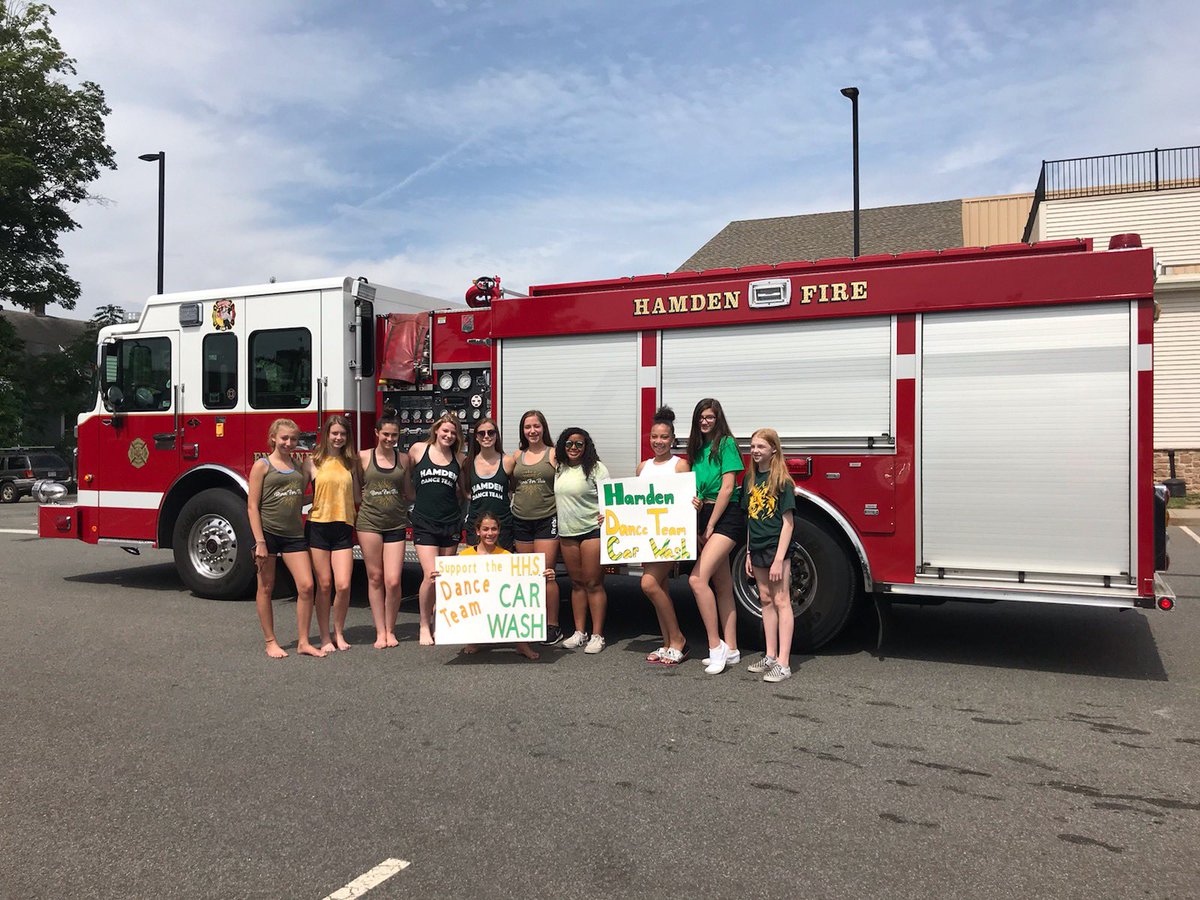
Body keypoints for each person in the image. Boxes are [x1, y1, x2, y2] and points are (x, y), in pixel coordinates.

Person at [247, 418, 318, 658]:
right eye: (284, 438)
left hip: (294, 535)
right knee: (266, 587)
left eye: (293, 439)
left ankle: (303, 642)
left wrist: (318, 498)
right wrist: (260, 542)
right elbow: (252, 506)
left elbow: (296, 498)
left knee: (307, 586)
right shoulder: (262, 466)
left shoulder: (298, 466)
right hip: (268, 534)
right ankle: (270, 641)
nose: (289, 443)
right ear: (273, 438)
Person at [686, 398, 745, 675]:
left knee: (697, 580)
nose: (705, 421)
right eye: (701, 417)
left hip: (725, 516)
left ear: (718, 418)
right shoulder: (697, 449)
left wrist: (710, 526)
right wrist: (697, 505)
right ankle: (731, 648)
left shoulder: (726, 444)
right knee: (722, 584)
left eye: (709, 417)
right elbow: (697, 486)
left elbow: (728, 487)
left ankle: (715, 646)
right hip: (704, 513)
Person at [741, 428, 797, 683]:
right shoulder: (750, 480)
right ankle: (770, 656)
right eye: (753, 446)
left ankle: (784, 663)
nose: (755, 451)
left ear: (773, 449)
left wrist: (779, 559)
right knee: (765, 599)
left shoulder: (782, 481)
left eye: (761, 446)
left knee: (781, 600)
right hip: (757, 548)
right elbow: (750, 519)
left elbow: (788, 524)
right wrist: (748, 552)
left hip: (776, 548)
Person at [637, 406, 690, 666]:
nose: (659, 441)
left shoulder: (680, 465)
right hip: (646, 536)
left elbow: (686, 499)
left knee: (648, 584)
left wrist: (694, 504)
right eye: (655, 436)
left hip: (669, 537)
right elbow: (633, 503)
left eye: (664, 437)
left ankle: (678, 638)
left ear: (672, 439)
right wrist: (611, 518)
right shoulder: (642, 467)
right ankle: (667, 642)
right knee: (661, 587)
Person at [409, 413, 466, 645]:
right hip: (424, 522)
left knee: (445, 578)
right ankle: (424, 624)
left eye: (453, 432)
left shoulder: (459, 458)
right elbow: (403, 477)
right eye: (445, 431)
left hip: (450, 522)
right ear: (436, 430)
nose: (448, 435)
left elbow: (464, 491)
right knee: (431, 575)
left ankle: (440, 621)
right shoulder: (418, 450)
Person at [305, 414, 360, 652]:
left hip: (343, 527)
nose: (338, 437)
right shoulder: (312, 462)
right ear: (326, 434)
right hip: (318, 525)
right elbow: (299, 495)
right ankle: (325, 636)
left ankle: (339, 632)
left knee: (344, 585)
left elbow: (357, 496)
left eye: (343, 434)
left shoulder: (351, 463)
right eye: (334, 433)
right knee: (325, 585)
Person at [455, 511, 544, 660]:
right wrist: (440, 576)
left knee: (519, 598)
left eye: (494, 529)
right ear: (478, 531)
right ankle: (473, 639)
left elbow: (523, 582)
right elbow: (455, 584)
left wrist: (542, 575)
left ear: (499, 531)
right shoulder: (465, 556)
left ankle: (522, 643)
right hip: (478, 600)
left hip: (499, 599)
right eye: (485, 529)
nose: (490, 533)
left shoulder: (506, 556)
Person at [356, 410, 410, 649]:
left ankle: (391, 629)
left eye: (394, 435)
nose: (390, 439)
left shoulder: (404, 459)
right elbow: (356, 490)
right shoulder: (363, 457)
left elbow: (408, 491)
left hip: (396, 523)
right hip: (369, 524)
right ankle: (380, 632)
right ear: (376, 433)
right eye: (386, 434)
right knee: (375, 577)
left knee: (393, 580)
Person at [554, 428, 610, 654]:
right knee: (576, 583)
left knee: (593, 583)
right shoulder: (559, 468)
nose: (574, 448)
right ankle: (580, 632)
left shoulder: (597, 468)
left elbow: (609, 497)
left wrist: (606, 515)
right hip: (567, 533)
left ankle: (597, 635)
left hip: (591, 531)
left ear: (586, 446)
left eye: (579, 444)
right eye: (569, 444)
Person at [510, 410, 563, 645]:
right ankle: (531, 622)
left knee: (546, 574)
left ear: (544, 428)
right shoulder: (516, 456)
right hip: (520, 520)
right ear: (522, 431)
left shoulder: (553, 454)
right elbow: (511, 484)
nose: (532, 431)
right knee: (527, 576)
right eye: (527, 427)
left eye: (536, 426)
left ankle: (552, 626)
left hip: (546, 519)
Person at [464, 417, 514, 551]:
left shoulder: (508, 461)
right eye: (481, 433)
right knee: (475, 563)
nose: (486, 436)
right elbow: (465, 491)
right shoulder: (468, 463)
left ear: (496, 435)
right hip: (476, 525)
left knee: (503, 563)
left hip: (502, 526)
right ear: (476, 437)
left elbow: (514, 489)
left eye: (491, 432)